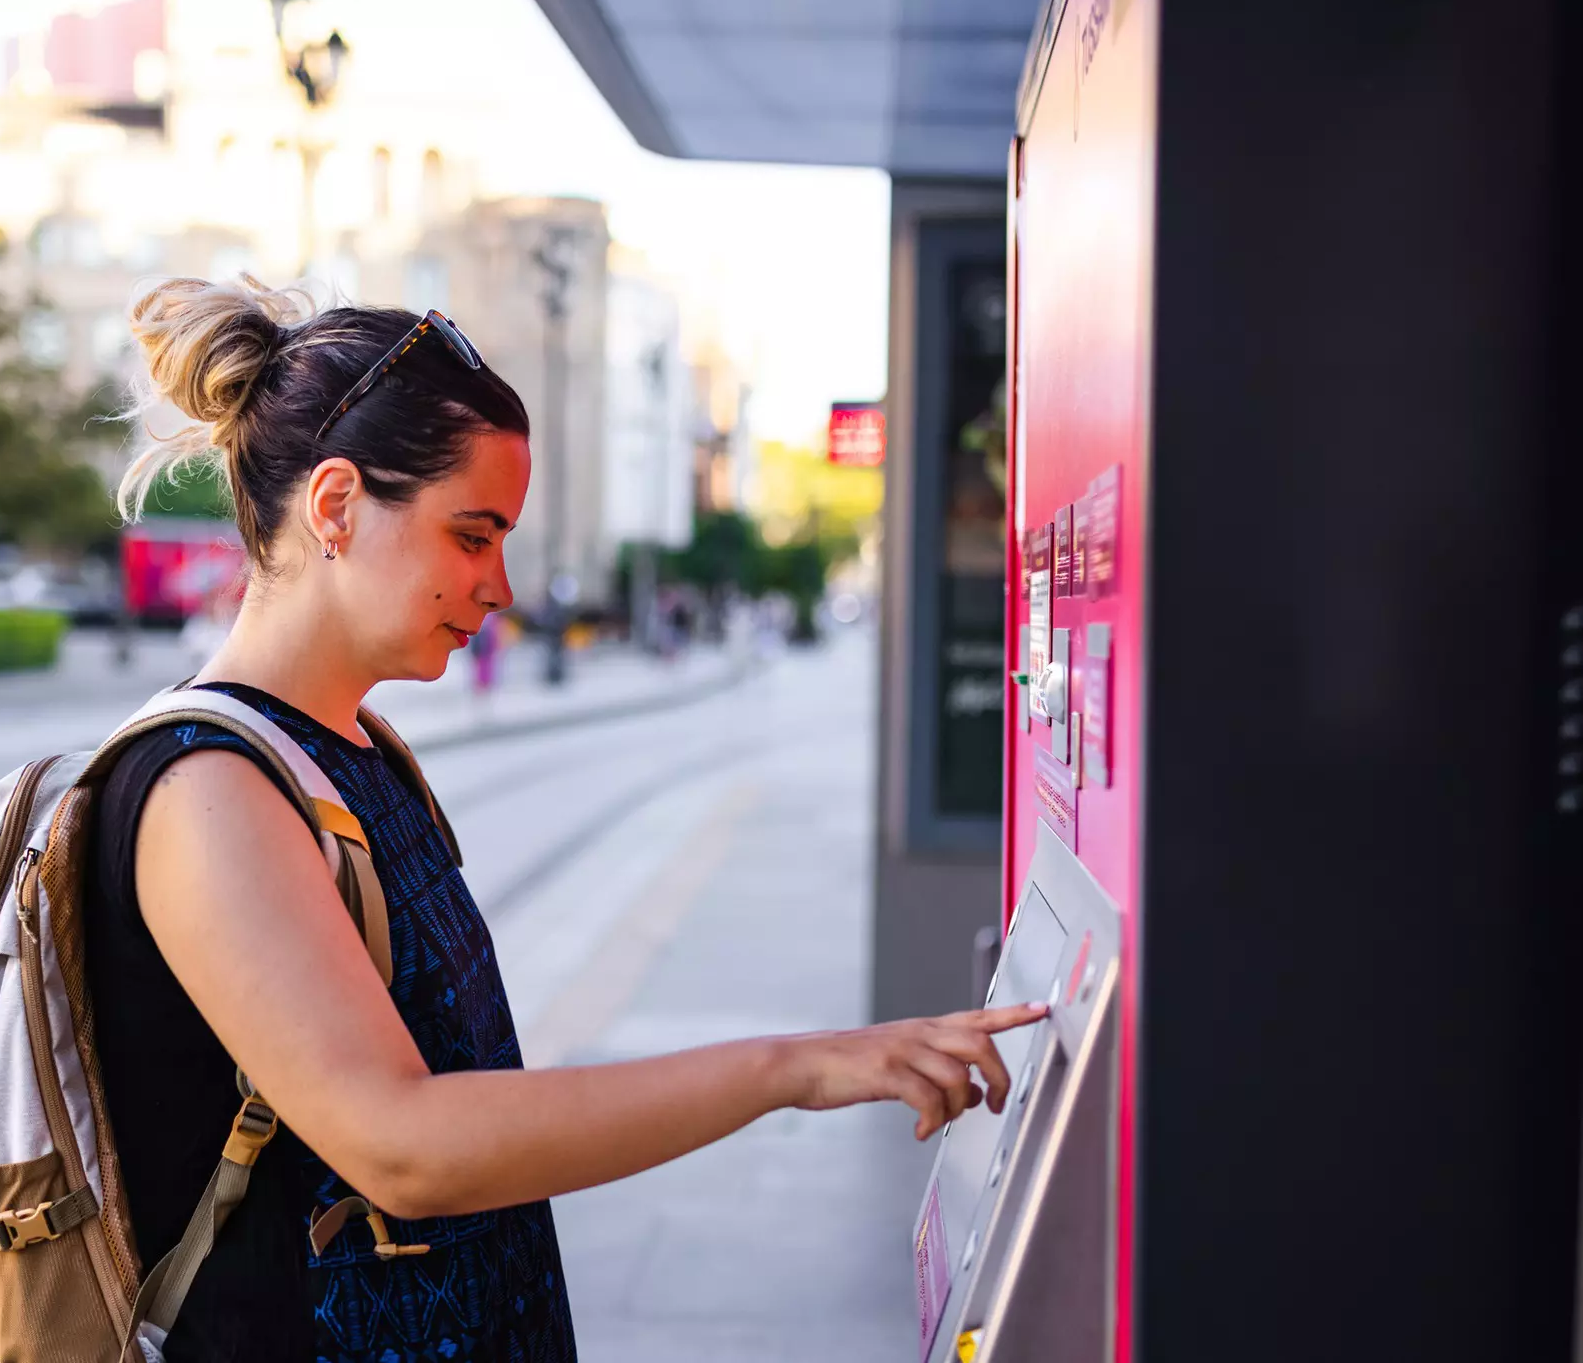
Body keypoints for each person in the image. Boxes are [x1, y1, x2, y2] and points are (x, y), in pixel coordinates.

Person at [87, 275, 1048, 1363]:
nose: (500, 584)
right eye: (471, 533)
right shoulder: (207, 790)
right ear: (338, 505)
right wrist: (797, 1067)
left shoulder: (354, 753)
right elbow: (401, 1146)